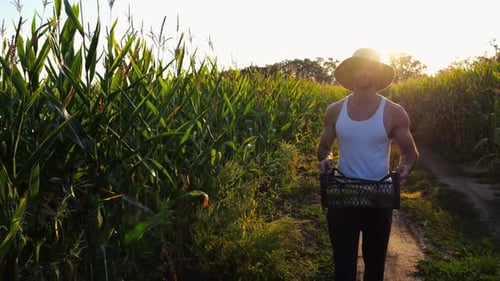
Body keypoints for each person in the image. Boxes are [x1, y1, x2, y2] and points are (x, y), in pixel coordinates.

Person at [316, 48, 419, 281]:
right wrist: (326, 161)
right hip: (343, 195)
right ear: (351, 73)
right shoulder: (334, 111)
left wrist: (405, 168)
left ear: (377, 73)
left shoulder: (393, 112)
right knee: (343, 267)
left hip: (378, 197)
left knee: (374, 266)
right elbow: (324, 149)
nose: (363, 72)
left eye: (369, 67)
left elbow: (410, 153)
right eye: (358, 67)